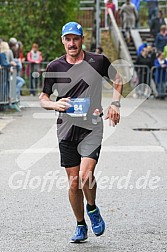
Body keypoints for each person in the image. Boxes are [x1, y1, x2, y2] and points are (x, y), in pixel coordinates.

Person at [39, 21, 122, 243]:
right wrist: (54, 105)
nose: (72, 43)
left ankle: (92, 209)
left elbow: (117, 79)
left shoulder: (98, 61)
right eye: (68, 39)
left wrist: (115, 104)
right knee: (74, 182)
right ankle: (80, 224)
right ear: (63, 41)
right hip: (66, 131)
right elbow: (43, 98)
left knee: (86, 176)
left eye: (76, 38)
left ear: (82, 39)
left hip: (91, 127)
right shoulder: (54, 67)